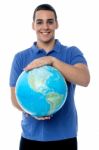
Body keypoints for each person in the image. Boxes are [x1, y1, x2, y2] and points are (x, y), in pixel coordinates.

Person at [9, 3, 90, 150]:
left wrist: (52, 61)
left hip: (65, 139)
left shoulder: (71, 53)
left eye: (50, 21)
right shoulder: (20, 57)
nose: (45, 27)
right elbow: (15, 99)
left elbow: (85, 79)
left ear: (57, 24)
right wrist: (31, 112)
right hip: (30, 139)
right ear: (33, 25)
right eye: (40, 22)